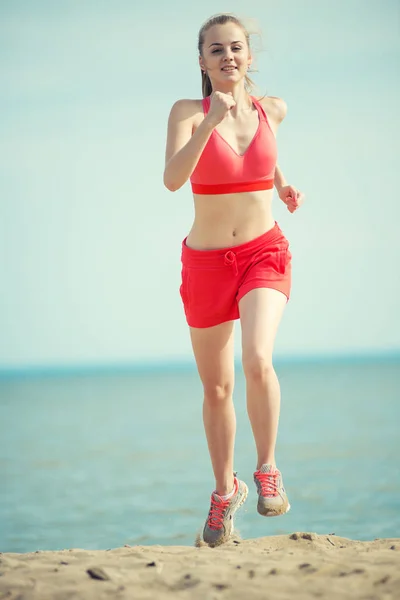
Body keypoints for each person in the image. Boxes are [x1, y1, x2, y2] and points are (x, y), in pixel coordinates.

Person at [163, 13, 305, 547]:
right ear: (202, 61)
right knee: (217, 387)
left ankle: (268, 469)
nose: (227, 57)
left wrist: (284, 185)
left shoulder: (274, 110)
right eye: (216, 50)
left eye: (236, 48)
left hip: (263, 251)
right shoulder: (187, 112)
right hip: (204, 263)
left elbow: (261, 154)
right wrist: (208, 123)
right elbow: (174, 179)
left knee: (257, 358)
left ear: (249, 56)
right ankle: (225, 491)